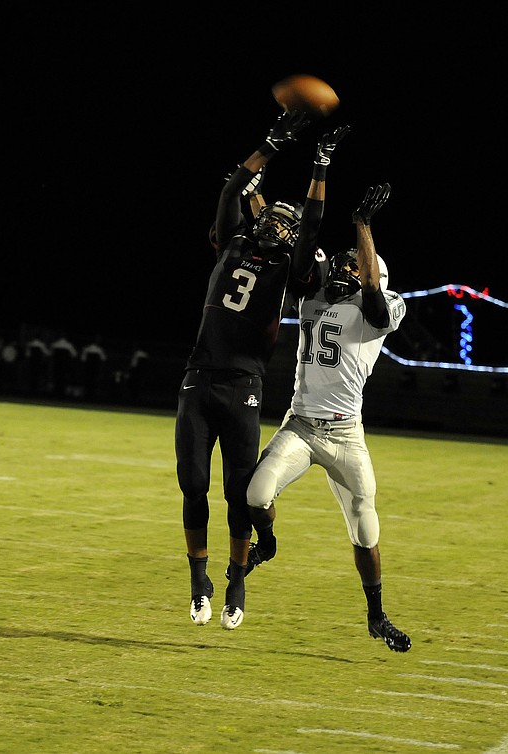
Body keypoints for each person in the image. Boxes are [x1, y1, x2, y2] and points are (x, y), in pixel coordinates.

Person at [176, 109, 349, 630]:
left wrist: (320, 165)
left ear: (295, 237)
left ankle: (236, 581)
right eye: (272, 214)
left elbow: (314, 223)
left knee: (236, 492)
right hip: (198, 379)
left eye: (287, 221)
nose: (277, 221)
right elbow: (232, 193)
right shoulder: (232, 242)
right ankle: (197, 580)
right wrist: (269, 146)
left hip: (244, 386)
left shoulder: (288, 268)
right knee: (192, 484)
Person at [243, 183, 412, 652]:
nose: (342, 267)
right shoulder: (314, 296)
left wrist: (363, 225)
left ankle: (376, 617)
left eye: (352, 264)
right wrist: (254, 197)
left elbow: (375, 296)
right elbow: (283, 246)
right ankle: (269, 542)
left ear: (369, 272)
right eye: (342, 262)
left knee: (366, 527)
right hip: (300, 425)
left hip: (345, 435)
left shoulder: (380, 305)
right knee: (256, 495)